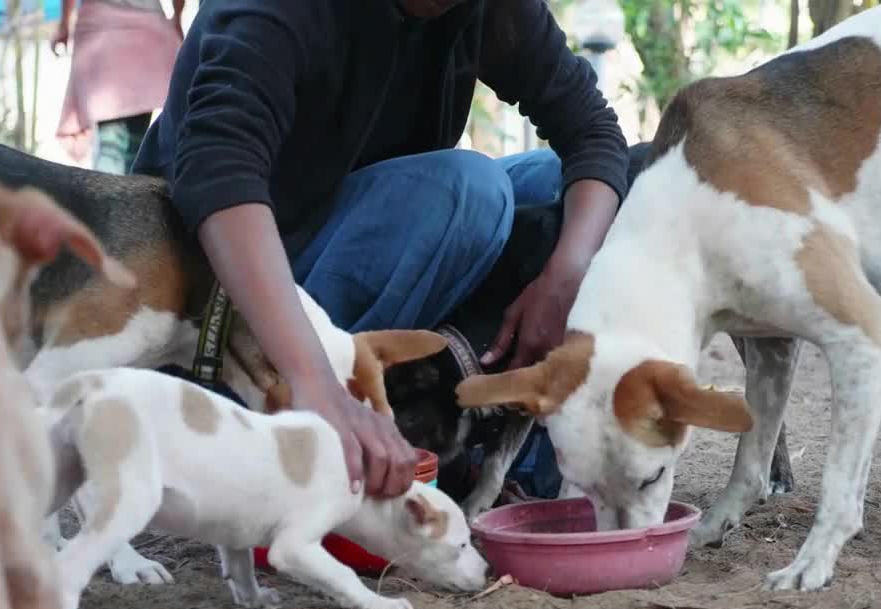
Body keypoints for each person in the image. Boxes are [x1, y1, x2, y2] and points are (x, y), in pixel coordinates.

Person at [132, 0, 629, 500]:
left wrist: (567, 276)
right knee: (469, 194)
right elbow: (217, 172)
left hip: (359, 223)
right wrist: (313, 380)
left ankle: (479, 438)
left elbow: (592, 131)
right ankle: (290, 407)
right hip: (218, 299)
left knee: (558, 189)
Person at [52, 0, 185, 173]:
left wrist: (64, 26)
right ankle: (128, 193)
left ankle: (108, 197)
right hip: (146, 34)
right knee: (135, 141)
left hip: (102, 33)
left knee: (112, 144)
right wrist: (177, 18)